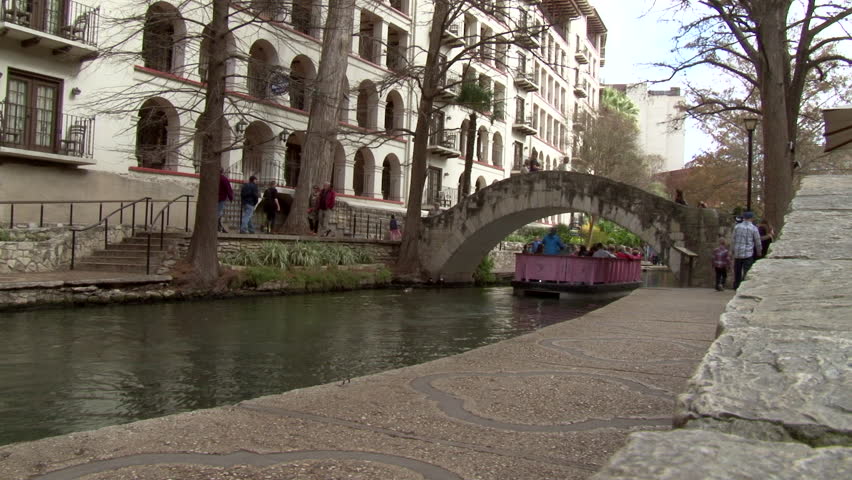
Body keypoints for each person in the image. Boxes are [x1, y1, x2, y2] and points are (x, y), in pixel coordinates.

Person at [731, 211, 762, 289]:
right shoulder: (754, 228)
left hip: (738, 253)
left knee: (737, 271)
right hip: (747, 253)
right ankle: (745, 287)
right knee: (747, 271)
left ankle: (736, 285)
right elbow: (757, 241)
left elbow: (733, 239)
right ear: (751, 218)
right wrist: (759, 251)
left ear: (744, 218)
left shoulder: (737, 227)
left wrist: (732, 250)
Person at [217, 168, 233, 233]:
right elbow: (228, 189)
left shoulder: (214, 178)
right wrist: (231, 197)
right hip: (221, 198)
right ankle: (219, 227)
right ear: (222, 172)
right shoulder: (224, 179)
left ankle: (219, 227)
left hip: (215, 198)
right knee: (219, 213)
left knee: (218, 213)